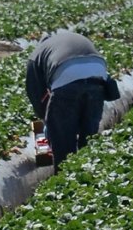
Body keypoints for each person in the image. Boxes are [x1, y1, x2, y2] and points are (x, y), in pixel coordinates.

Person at [25, 31, 120, 168]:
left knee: (63, 141)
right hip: (97, 76)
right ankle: (89, 174)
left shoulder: (37, 53)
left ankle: (65, 179)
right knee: (88, 135)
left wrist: (47, 120)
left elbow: (35, 93)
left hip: (67, 77)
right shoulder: (71, 39)